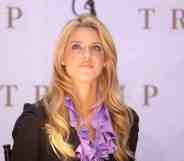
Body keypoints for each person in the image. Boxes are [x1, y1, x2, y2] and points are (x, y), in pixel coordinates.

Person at [11, 14, 139, 161]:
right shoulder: (34, 120)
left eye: (96, 48)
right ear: (62, 58)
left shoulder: (125, 120)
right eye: (76, 47)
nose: (87, 55)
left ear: (106, 60)